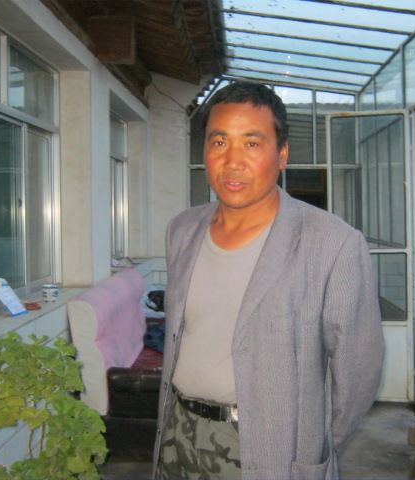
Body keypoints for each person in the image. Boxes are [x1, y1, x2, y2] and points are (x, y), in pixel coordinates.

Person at [153, 81, 384, 480]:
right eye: (219, 142)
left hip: (268, 448)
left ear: (282, 153)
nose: (233, 161)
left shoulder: (332, 243)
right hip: (179, 430)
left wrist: (313, 444)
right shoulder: (182, 230)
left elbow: (358, 371)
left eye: (252, 143)